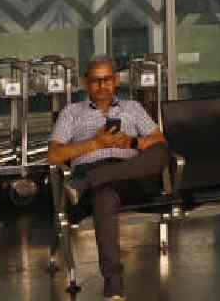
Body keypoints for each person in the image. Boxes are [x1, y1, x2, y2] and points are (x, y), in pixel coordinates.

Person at [48, 56, 171, 301]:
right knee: (104, 196)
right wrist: (95, 143)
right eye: (96, 81)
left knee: (162, 152)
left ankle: (89, 181)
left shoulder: (133, 108)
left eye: (107, 80)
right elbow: (54, 154)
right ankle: (114, 286)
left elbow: (158, 140)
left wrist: (133, 142)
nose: (102, 85)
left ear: (115, 81)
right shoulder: (72, 113)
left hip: (130, 175)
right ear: (85, 83)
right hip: (94, 174)